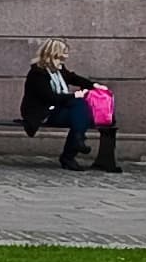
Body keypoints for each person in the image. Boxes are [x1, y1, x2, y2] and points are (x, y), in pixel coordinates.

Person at [20, 37, 99, 168]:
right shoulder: (37, 73)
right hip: (42, 112)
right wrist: (74, 95)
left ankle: (77, 143)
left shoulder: (59, 69)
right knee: (79, 108)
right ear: (54, 53)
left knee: (80, 112)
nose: (66, 56)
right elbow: (50, 97)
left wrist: (94, 85)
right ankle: (70, 154)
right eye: (64, 52)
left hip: (57, 109)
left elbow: (73, 78)